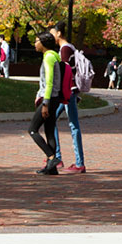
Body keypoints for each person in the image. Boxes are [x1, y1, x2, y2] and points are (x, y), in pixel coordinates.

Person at [50, 21, 88, 174]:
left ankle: (79, 163)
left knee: (74, 125)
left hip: (68, 92)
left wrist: (61, 93)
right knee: (51, 119)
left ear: (59, 33)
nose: (51, 36)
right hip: (69, 92)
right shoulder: (68, 48)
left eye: (52, 33)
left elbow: (65, 74)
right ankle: (57, 157)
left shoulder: (65, 49)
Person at [28, 31, 63, 175]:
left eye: (37, 41)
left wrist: (45, 103)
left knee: (32, 130)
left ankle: (52, 158)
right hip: (55, 98)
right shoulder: (55, 55)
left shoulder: (48, 57)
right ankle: (51, 168)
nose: (35, 44)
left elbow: (49, 83)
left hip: (49, 99)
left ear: (43, 43)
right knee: (49, 131)